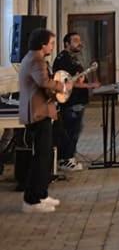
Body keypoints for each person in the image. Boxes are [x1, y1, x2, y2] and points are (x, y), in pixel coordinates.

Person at [19, 28, 66, 213]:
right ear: (42, 44)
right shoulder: (36, 60)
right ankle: (32, 201)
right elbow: (44, 82)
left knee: (45, 156)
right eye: (51, 43)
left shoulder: (32, 58)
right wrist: (62, 86)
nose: (53, 47)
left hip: (40, 112)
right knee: (41, 157)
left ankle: (41, 194)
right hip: (38, 114)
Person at [54, 32, 100, 171]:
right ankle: (66, 159)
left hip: (77, 101)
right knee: (71, 131)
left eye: (80, 40)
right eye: (75, 41)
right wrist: (90, 85)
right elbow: (67, 82)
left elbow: (77, 77)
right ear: (67, 43)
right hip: (71, 102)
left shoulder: (72, 58)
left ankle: (69, 157)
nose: (80, 43)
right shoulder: (64, 59)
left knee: (74, 130)